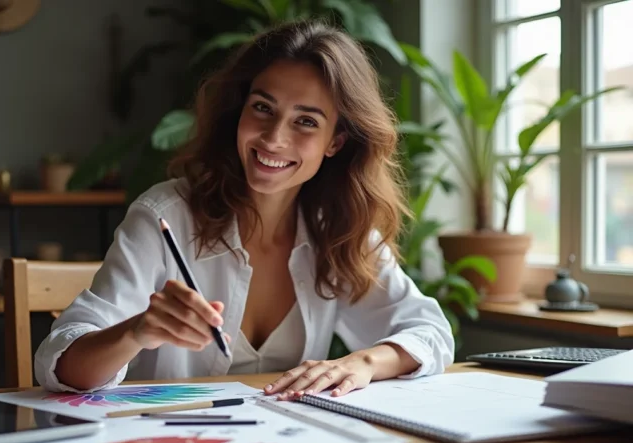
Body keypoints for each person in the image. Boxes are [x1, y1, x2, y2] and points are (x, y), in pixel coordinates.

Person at [34, 19, 454, 399]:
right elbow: (60, 365)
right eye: (262, 108)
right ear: (240, 111)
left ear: (335, 142)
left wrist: (362, 363)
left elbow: (431, 333)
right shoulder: (164, 216)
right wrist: (136, 330)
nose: (273, 138)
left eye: (305, 121)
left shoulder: (340, 229)